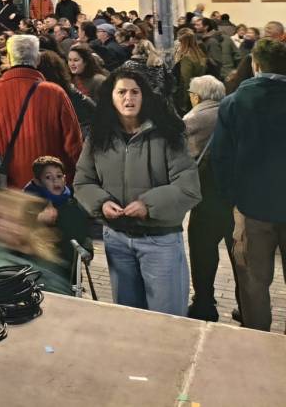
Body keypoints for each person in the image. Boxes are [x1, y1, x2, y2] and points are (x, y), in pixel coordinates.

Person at [74, 71, 200, 316]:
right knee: (129, 319)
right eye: (121, 92)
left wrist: (148, 204)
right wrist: (101, 203)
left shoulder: (167, 135)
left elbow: (189, 188)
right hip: (117, 240)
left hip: (160, 241)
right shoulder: (99, 137)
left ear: (145, 97)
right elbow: (82, 181)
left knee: (167, 320)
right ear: (111, 97)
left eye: (134, 92)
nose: (128, 98)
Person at [210, 37, 286, 332]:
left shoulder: (234, 102)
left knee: (254, 281)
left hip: (253, 207)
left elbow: (221, 157)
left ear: (255, 65)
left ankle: (257, 339)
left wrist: (232, 200)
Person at [0, 35, 83, 190]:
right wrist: (72, 181)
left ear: (9, 59)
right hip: (52, 187)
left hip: (11, 188)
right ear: (38, 59)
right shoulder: (55, 93)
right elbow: (73, 144)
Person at [181, 75, 238, 321]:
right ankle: (246, 303)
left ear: (196, 96)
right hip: (236, 193)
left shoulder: (193, 119)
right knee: (239, 252)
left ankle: (204, 302)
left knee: (203, 249)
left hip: (207, 194)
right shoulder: (236, 114)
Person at [23, 155, 92, 272]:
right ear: (38, 182)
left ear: (64, 178)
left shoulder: (74, 201)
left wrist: (87, 249)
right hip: (40, 266)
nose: (55, 180)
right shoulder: (30, 202)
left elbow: (84, 230)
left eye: (59, 176)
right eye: (48, 177)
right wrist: (37, 220)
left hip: (69, 265)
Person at [172, 29, 211, 116]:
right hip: (199, 92)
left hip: (188, 97)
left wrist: (183, 103)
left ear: (183, 42)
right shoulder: (199, 53)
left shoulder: (186, 57)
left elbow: (185, 80)